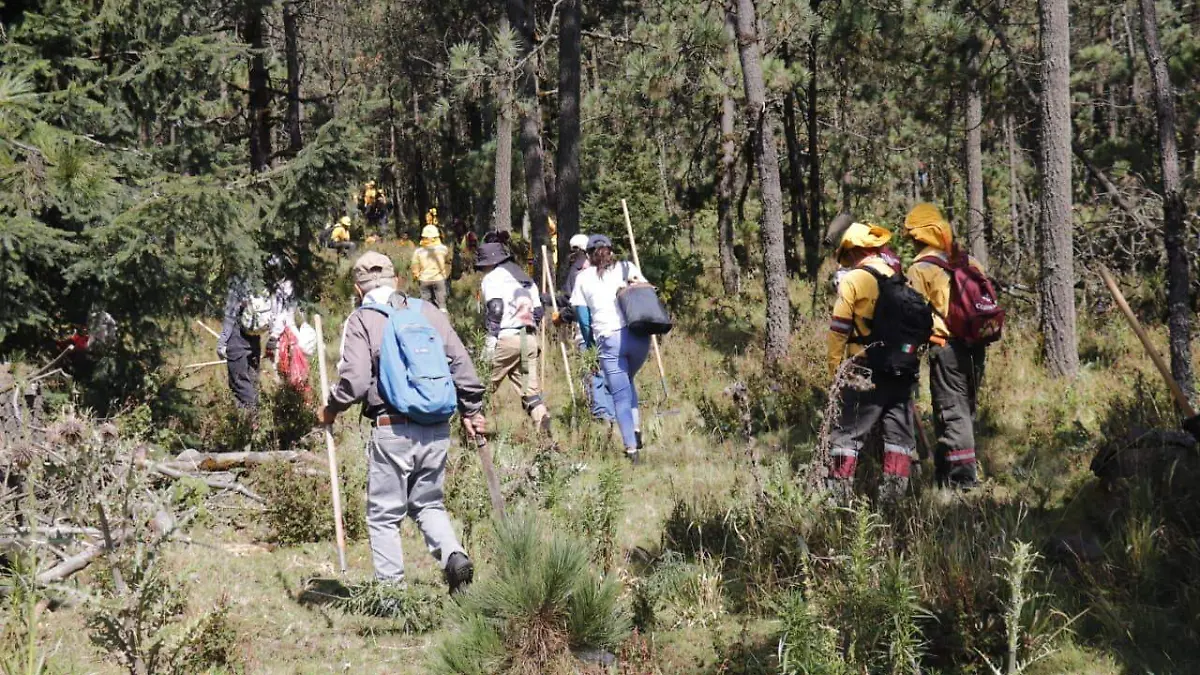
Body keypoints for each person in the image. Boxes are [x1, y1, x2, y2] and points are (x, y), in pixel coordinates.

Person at [317, 251, 484, 593]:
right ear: (397, 281)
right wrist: (471, 410)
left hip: (391, 427)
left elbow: (355, 381)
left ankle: (393, 597)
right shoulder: (430, 312)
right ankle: (453, 555)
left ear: (358, 289)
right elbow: (462, 366)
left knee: (384, 515)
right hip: (437, 425)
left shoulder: (362, 319)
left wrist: (331, 408)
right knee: (428, 503)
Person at [823, 219, 922, 503]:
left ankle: (837, 499)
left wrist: (835, 372)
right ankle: (894, 500)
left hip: (864, 368)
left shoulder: (854, 279)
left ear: (853, 252)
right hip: (901, 368)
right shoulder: (898, 276)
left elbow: (839, 329)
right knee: (899, 438)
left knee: (846, 437)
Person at [903, 203, 989, 489]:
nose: (911, 242)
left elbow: (911, 317)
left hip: (947, 348)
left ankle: (962, 481)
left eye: (912, 237)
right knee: (965, 410)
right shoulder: (970, 262)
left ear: (921, 236)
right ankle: (945, 475)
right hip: (976, 346)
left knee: (951, 411)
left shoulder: (920, 268)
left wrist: (905, 354)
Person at [570, 235, 649, 463]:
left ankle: (632, 450)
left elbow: (584, 320)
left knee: (620, 396)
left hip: (609, 341)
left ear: (588, 254)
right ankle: (635, 428)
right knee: (628, 381)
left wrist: (591, 347)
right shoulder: (627, 267)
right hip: (639, 337)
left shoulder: (583, 278)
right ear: (610, 251)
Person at [475, 242, 553, 436]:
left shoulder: (492, 278)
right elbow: (538, 310)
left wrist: (491, 339)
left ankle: (472, 435)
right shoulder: (524, 278)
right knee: (530, 392)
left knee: (479, 386)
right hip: (528, 339)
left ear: (490, 263)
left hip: (506, 338)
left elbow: (496, 308)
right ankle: (544, 434)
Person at [217, 260, 296, 410]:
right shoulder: (275, 284)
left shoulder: (241, 277)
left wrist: (222, 340)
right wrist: (273, 337)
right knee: (251, 380)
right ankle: (253, 420)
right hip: (255, 338)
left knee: (239, 383)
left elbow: (230, 312)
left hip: (238, 335)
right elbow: (281, 313)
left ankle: (249, 423)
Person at [555, 233, 615, 422]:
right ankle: (611, 414)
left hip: (593, 333)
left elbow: (576, 308)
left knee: (596, 373)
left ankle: (603, 414)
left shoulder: (582, 274)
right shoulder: (613, 272)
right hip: (612, 334)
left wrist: (562, 316)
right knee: (605, 374)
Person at [410, 220, 451, 311]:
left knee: (425, 306)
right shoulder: (444, 249)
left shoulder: (418, 252)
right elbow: (448, 263)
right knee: (442, 305)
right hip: (439, 279)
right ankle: (444, 322)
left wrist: (417, 276)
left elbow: (414, 266)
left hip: (424, 280)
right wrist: (445, 275)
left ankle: (427, 322)